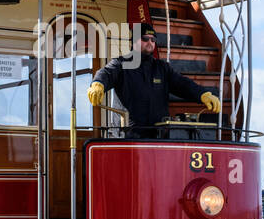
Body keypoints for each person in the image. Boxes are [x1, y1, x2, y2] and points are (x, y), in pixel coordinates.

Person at [87, 23, 219, 136]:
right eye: (145, 39)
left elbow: (182, 84)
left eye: (153, 39)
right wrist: (98, 83)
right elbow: (106, 73)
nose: (150, 42)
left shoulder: (162, 68)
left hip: (157, 136)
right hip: (128, 136)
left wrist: (202, 94)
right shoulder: (121, 64)